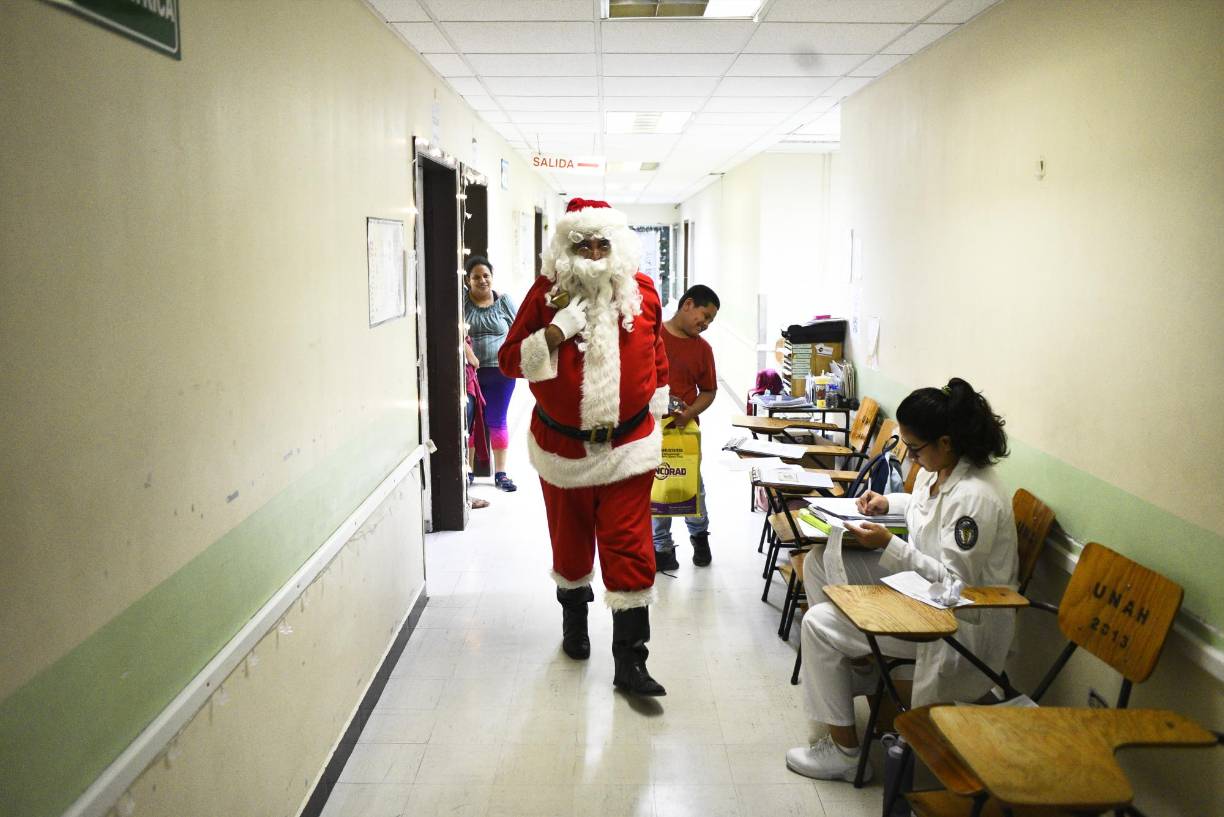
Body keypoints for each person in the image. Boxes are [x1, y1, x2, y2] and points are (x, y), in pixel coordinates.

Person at [786, 377, 1018, 781]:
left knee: (818, 624)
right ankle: (860, 660)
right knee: (821, 560)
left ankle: (842, 751)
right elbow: (920, 505)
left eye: (914, 449)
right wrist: (886, 502)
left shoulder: (974, 499)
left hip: (952, 624)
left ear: (945, 442)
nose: (910, 459)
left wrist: (888, 546)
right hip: (919, 590)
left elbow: (955, 585)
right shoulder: (940, 469)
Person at [499, 198, 671, 696]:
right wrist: (554, 333)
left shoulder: (642, 293)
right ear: (565, 249)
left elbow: (657, 353)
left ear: (617, 246)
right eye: (582, 244)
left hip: (629, 447)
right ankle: (574, 624)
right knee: (571, 548)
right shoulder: (544, 296)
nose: (594, 253)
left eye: (602, 243)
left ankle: (631, 663)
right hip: (563, 452)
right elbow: (510, 359)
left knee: (631, 548)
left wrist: (659, 405)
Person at [653, 284, 719, 572]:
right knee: (658, 487)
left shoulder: (702, 350)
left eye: (710, 322)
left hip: (685, 432)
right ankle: (662, 548)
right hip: (651, 431)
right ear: (687, 304)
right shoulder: (652, 337)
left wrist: (688, 413)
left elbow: (709, 390)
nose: (704, 325)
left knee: (692, 487)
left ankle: (699, 536)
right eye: (704, 316)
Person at [464, 255, 519, 492]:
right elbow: (455, 330)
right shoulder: (463, 304)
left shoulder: (504, 301)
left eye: (486, 275)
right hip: (471, 374)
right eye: (476, 277)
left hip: (502, 373)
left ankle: (501, 474)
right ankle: (468, 472)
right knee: (471, 423)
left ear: (492, 277)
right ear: (468, 280)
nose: (482, 280)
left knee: (496, 419)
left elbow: (519, 330)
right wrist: (469, 354)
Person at [463, 332, 489, 510]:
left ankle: (463, 491)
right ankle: (462, 493)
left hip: (466, 378)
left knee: (464, 435)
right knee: (460, 436)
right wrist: (467, 351)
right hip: (461, 379)